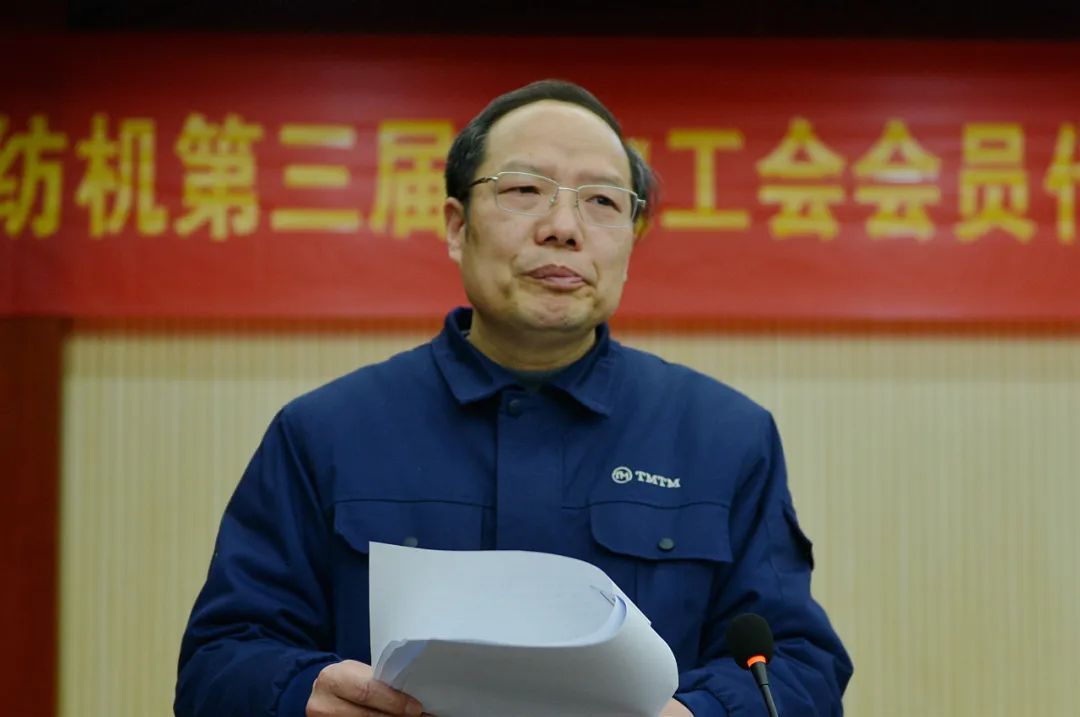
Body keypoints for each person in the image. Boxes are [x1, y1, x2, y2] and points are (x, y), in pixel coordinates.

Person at [175, 79, 852, 717]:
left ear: (630, 240)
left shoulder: (723, 436)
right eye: (525, 190)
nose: (563, 227)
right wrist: (302, 691)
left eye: (603, 201)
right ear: (456, 225)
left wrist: (699, 712)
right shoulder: (326, 431)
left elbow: (798, 663)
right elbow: (218, 659)